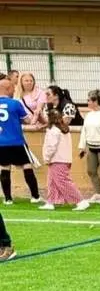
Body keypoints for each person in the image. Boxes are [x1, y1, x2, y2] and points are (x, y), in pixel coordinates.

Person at [38, 107, 89, 211]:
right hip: (64, 159)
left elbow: (51, 147)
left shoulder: (53, 130)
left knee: (63, 181)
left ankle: (80, 201)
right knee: (52, 181)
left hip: (57, 160)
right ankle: (51, 202)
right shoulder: (64, 129)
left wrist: (47, 158)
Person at [0, 75, 40, 205]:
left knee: (5, 168)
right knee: (27, 166)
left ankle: (8, 199)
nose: (14, 90)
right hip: (17, 141)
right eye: (13, 88)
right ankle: (35, 197)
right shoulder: (15, 104)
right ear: (7, 88)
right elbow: (28, 120)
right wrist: (37, 114)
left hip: (1, 143)